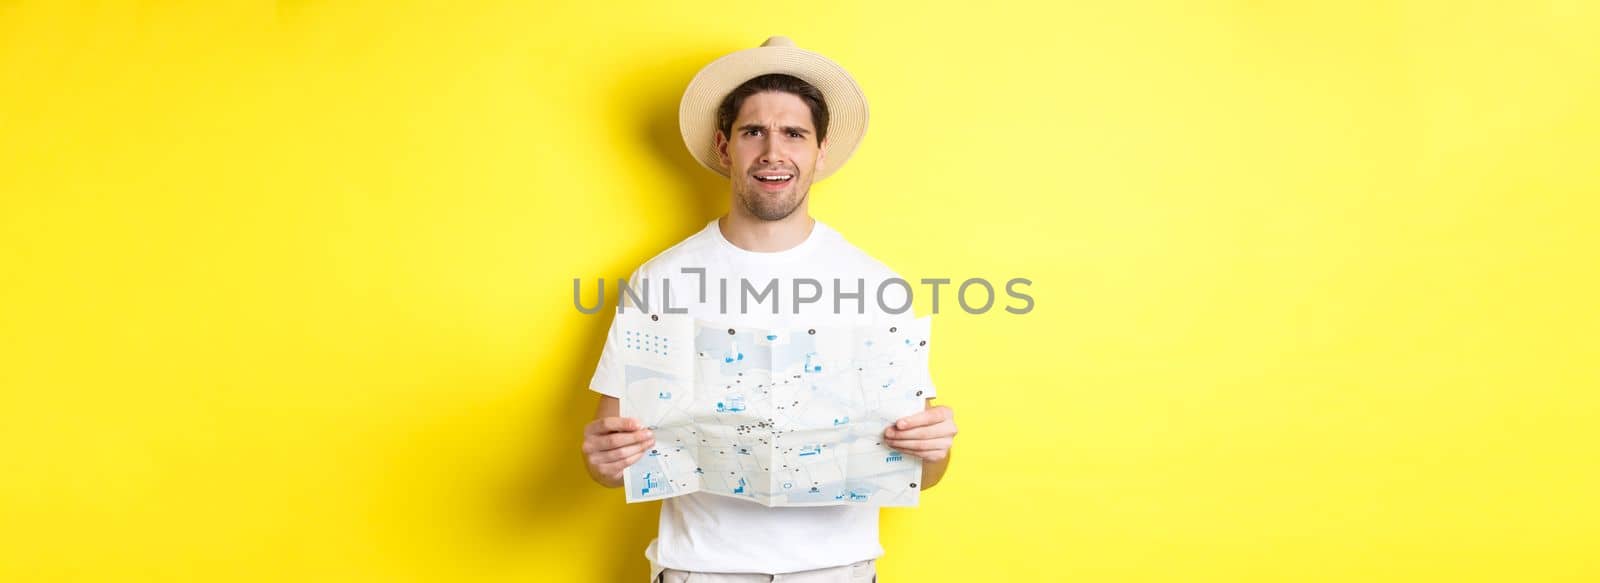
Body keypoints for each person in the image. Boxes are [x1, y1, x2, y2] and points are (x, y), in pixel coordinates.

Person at [581, 36, 959, 582]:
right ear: (722, 146)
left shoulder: (877, 285)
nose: (773, 152)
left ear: (820, 151)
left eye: (794, 134)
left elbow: (923, 473)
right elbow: (612, 465)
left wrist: (934, 448)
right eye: (753, 131)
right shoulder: (660, 281)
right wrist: (602, 462)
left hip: (838, 572)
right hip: (700, 572)